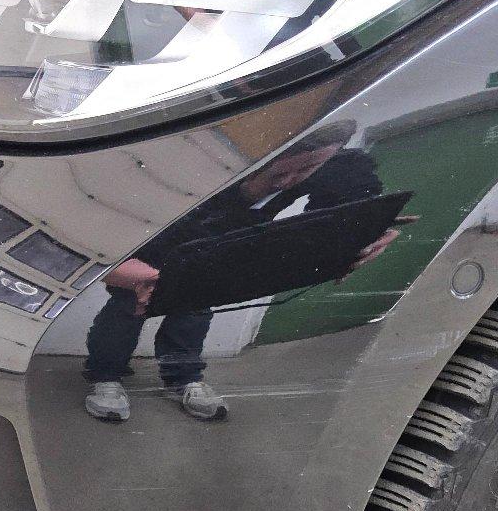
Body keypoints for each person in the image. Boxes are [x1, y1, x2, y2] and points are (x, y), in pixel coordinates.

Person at [83, 120, 400, 422]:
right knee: (127, 307)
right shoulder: (203, 158)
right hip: (158, 235)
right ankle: (106, 376)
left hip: (219, 245)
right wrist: (123, 266)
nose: (288, 182)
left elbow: (352, 197)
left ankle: (183, 379)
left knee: (195, 309)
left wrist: (365, 229)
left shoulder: (334, 164)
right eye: (279, 171)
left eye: (307, 169)